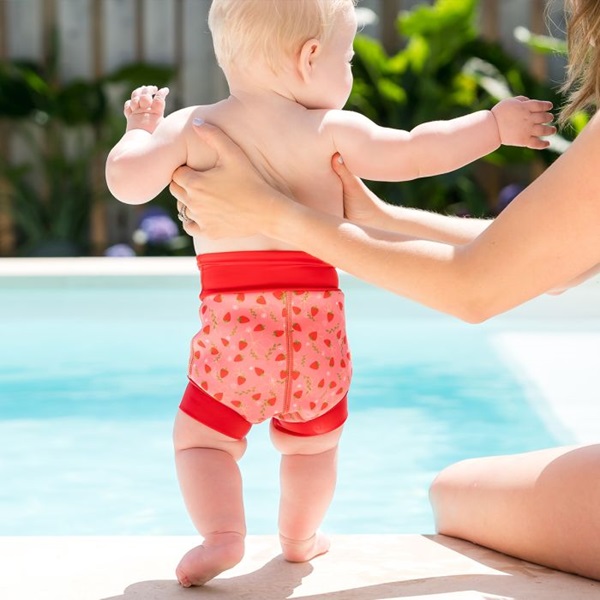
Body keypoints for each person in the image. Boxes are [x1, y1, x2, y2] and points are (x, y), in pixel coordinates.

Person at [106, 0, 554, 587]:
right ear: (310, 57)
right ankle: (299, 539)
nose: (347, 72)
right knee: (313, 447)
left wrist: (140, 133)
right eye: (347, 58)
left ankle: (222, 535)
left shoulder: (194, 127)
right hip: (317, 331)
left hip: (235, 334)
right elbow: (416, 150)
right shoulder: (331, 131)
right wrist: (493, 127)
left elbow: (128, 183)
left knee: (202, 442)